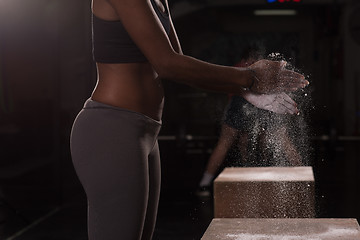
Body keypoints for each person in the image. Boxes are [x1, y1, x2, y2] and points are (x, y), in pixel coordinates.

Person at [69, 0, 308, 239]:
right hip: (112, 129)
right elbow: (167, 65)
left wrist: (247, 91)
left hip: (145, 132)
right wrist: (250, 77)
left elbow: (181, 64)